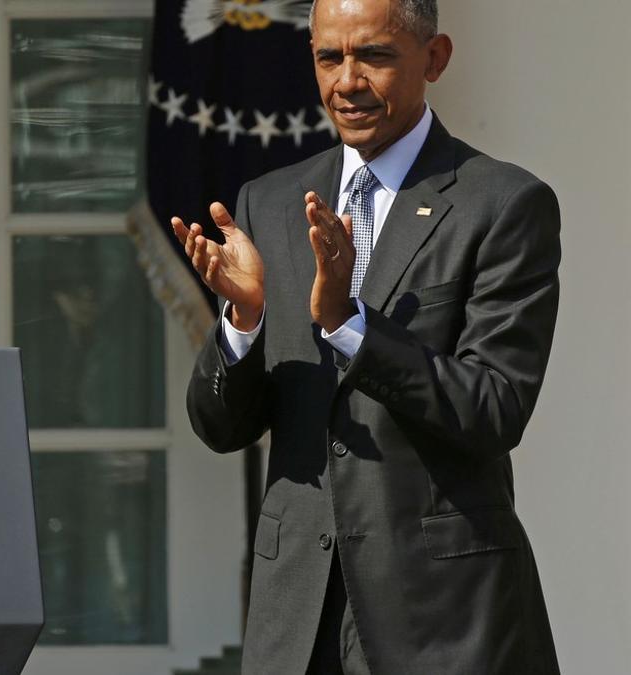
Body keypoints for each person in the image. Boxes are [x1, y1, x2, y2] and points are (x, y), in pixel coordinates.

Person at [171, 0, 560, 672]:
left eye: (374, 55)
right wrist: (244, 321)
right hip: (298, 623)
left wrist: (350, 325)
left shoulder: (502, 205)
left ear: (433, 58)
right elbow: (220, 426)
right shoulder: (268, 202)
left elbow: (494, 407)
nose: (346, 80)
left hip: (445, 623)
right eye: (329, 57)